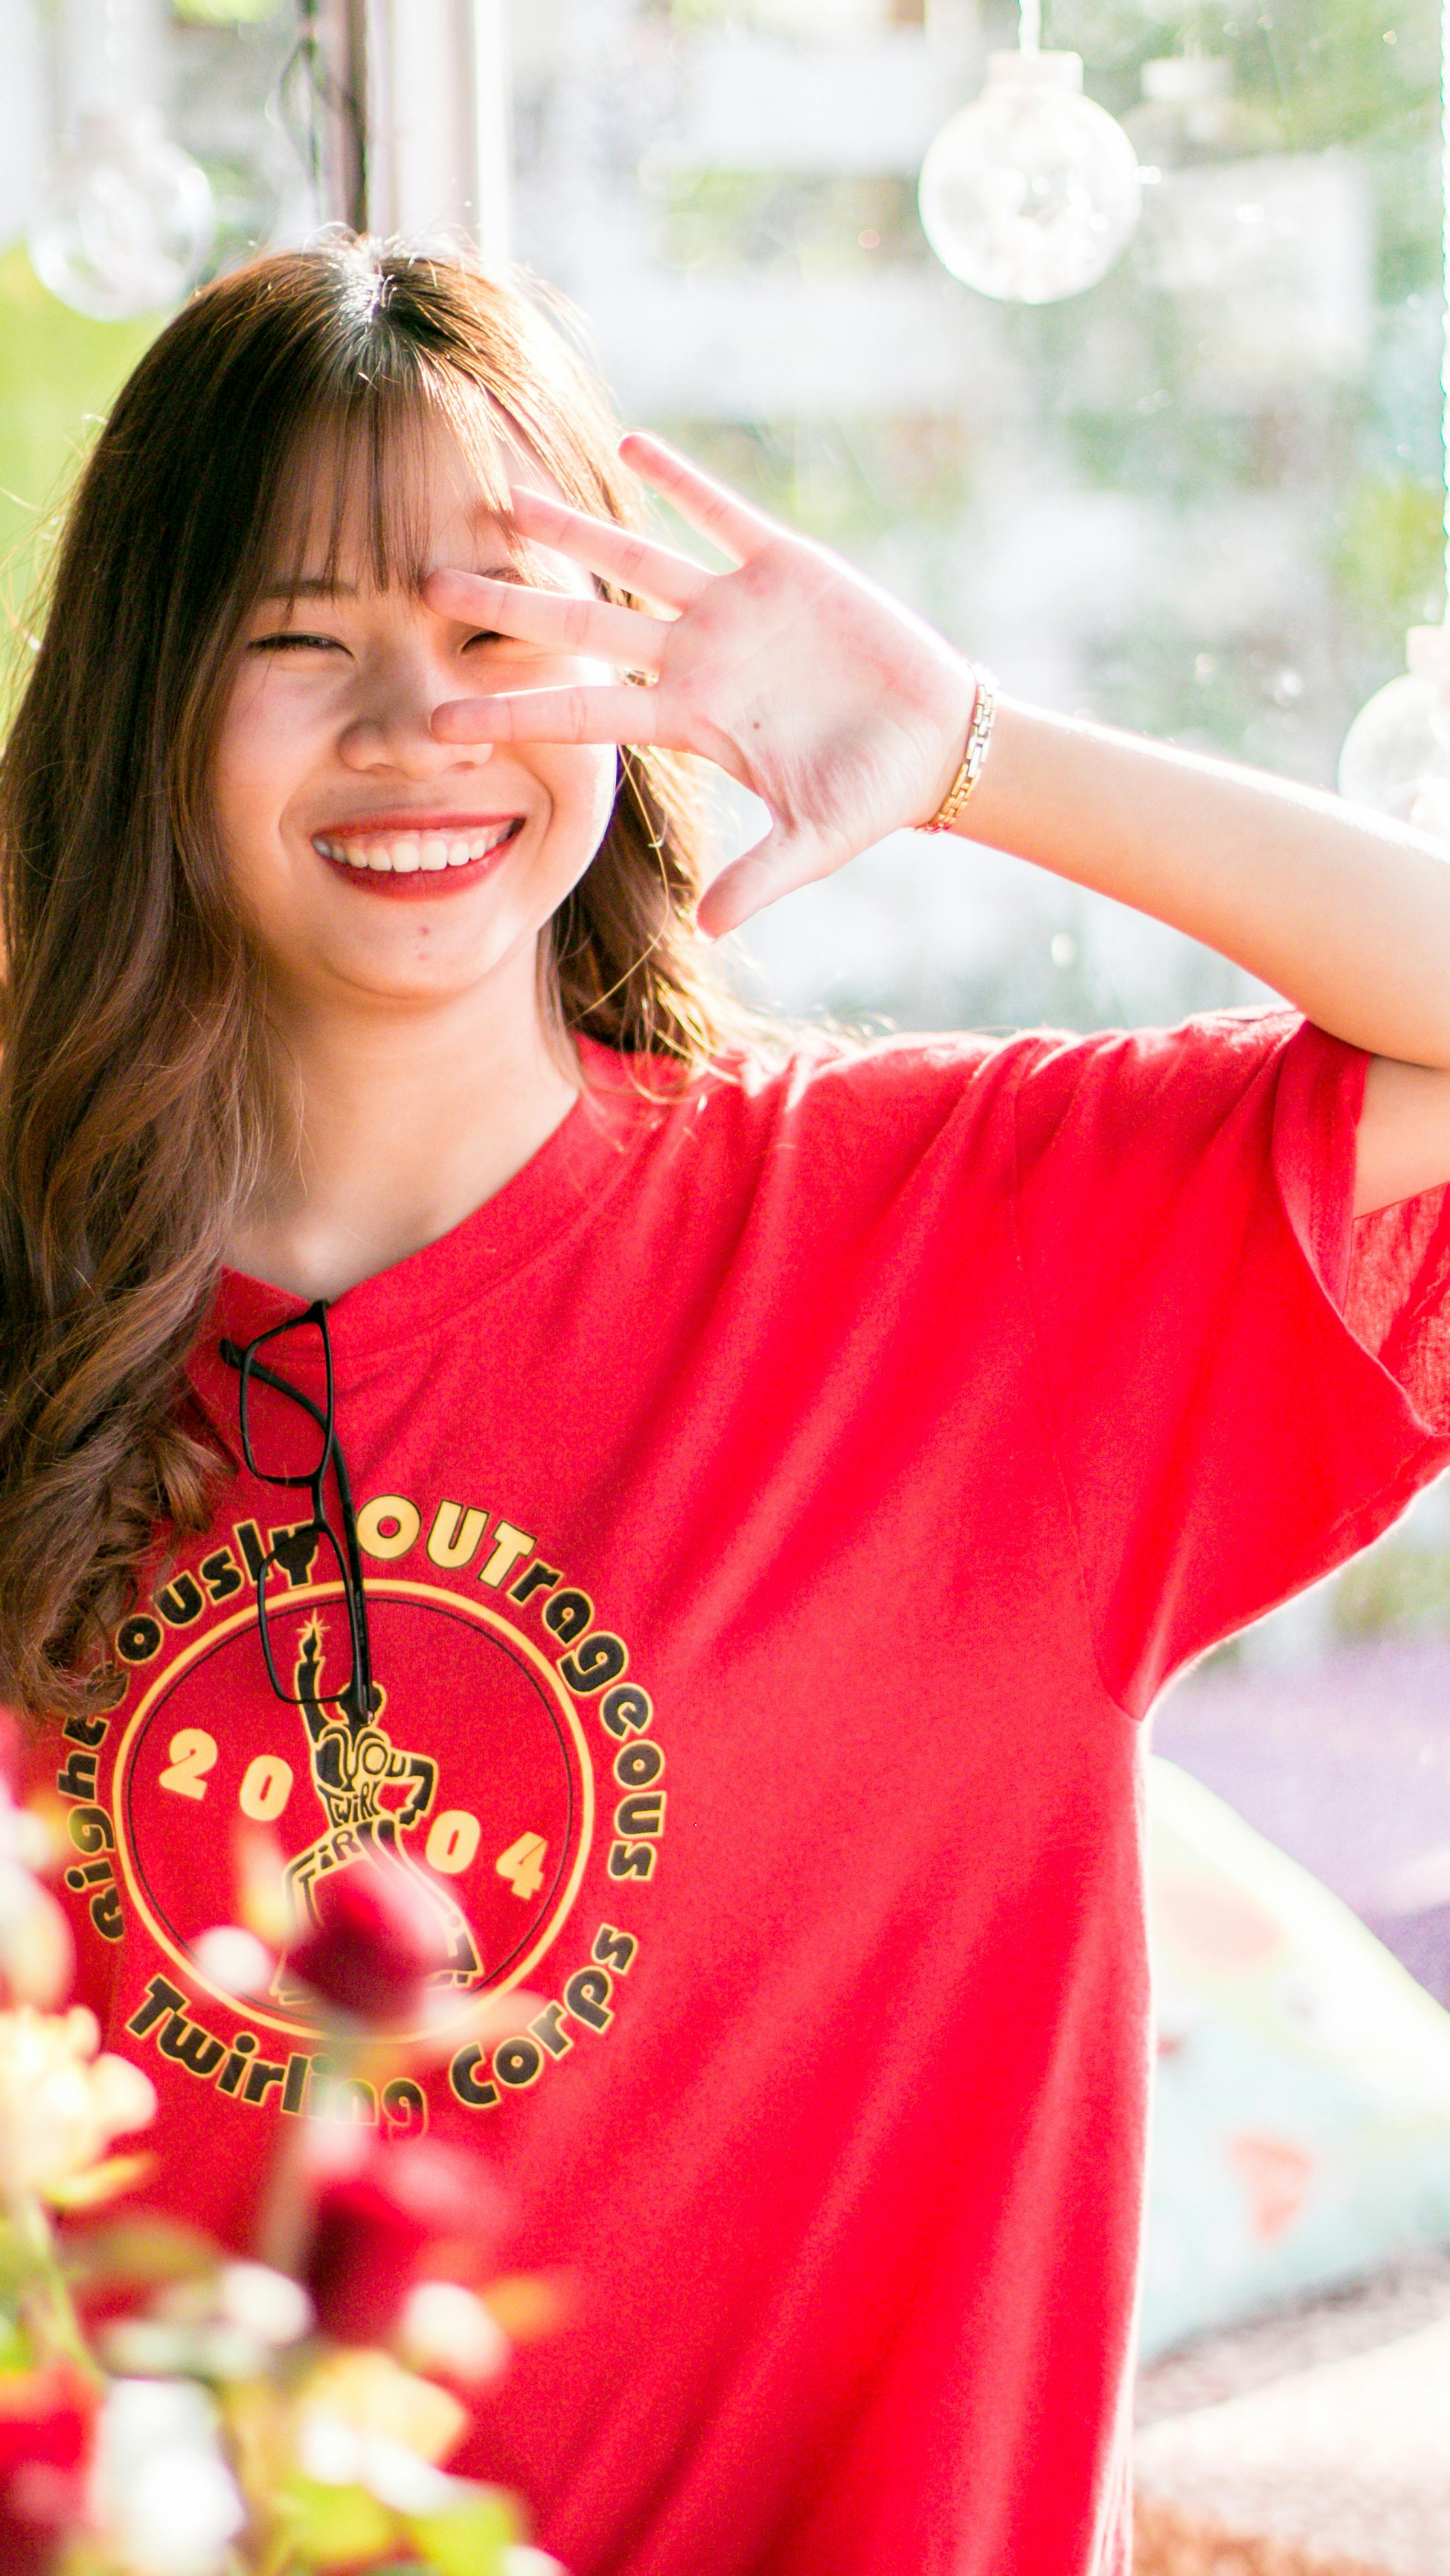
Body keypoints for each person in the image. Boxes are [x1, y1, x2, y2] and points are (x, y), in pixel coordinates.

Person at [4, 236, 1450, 2576]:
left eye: (498, 637)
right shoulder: (36, 1335)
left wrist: (967, 752)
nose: (412, 726)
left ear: (638, 690)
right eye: (298, 643)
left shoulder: (947, 1257)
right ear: (146, 711)